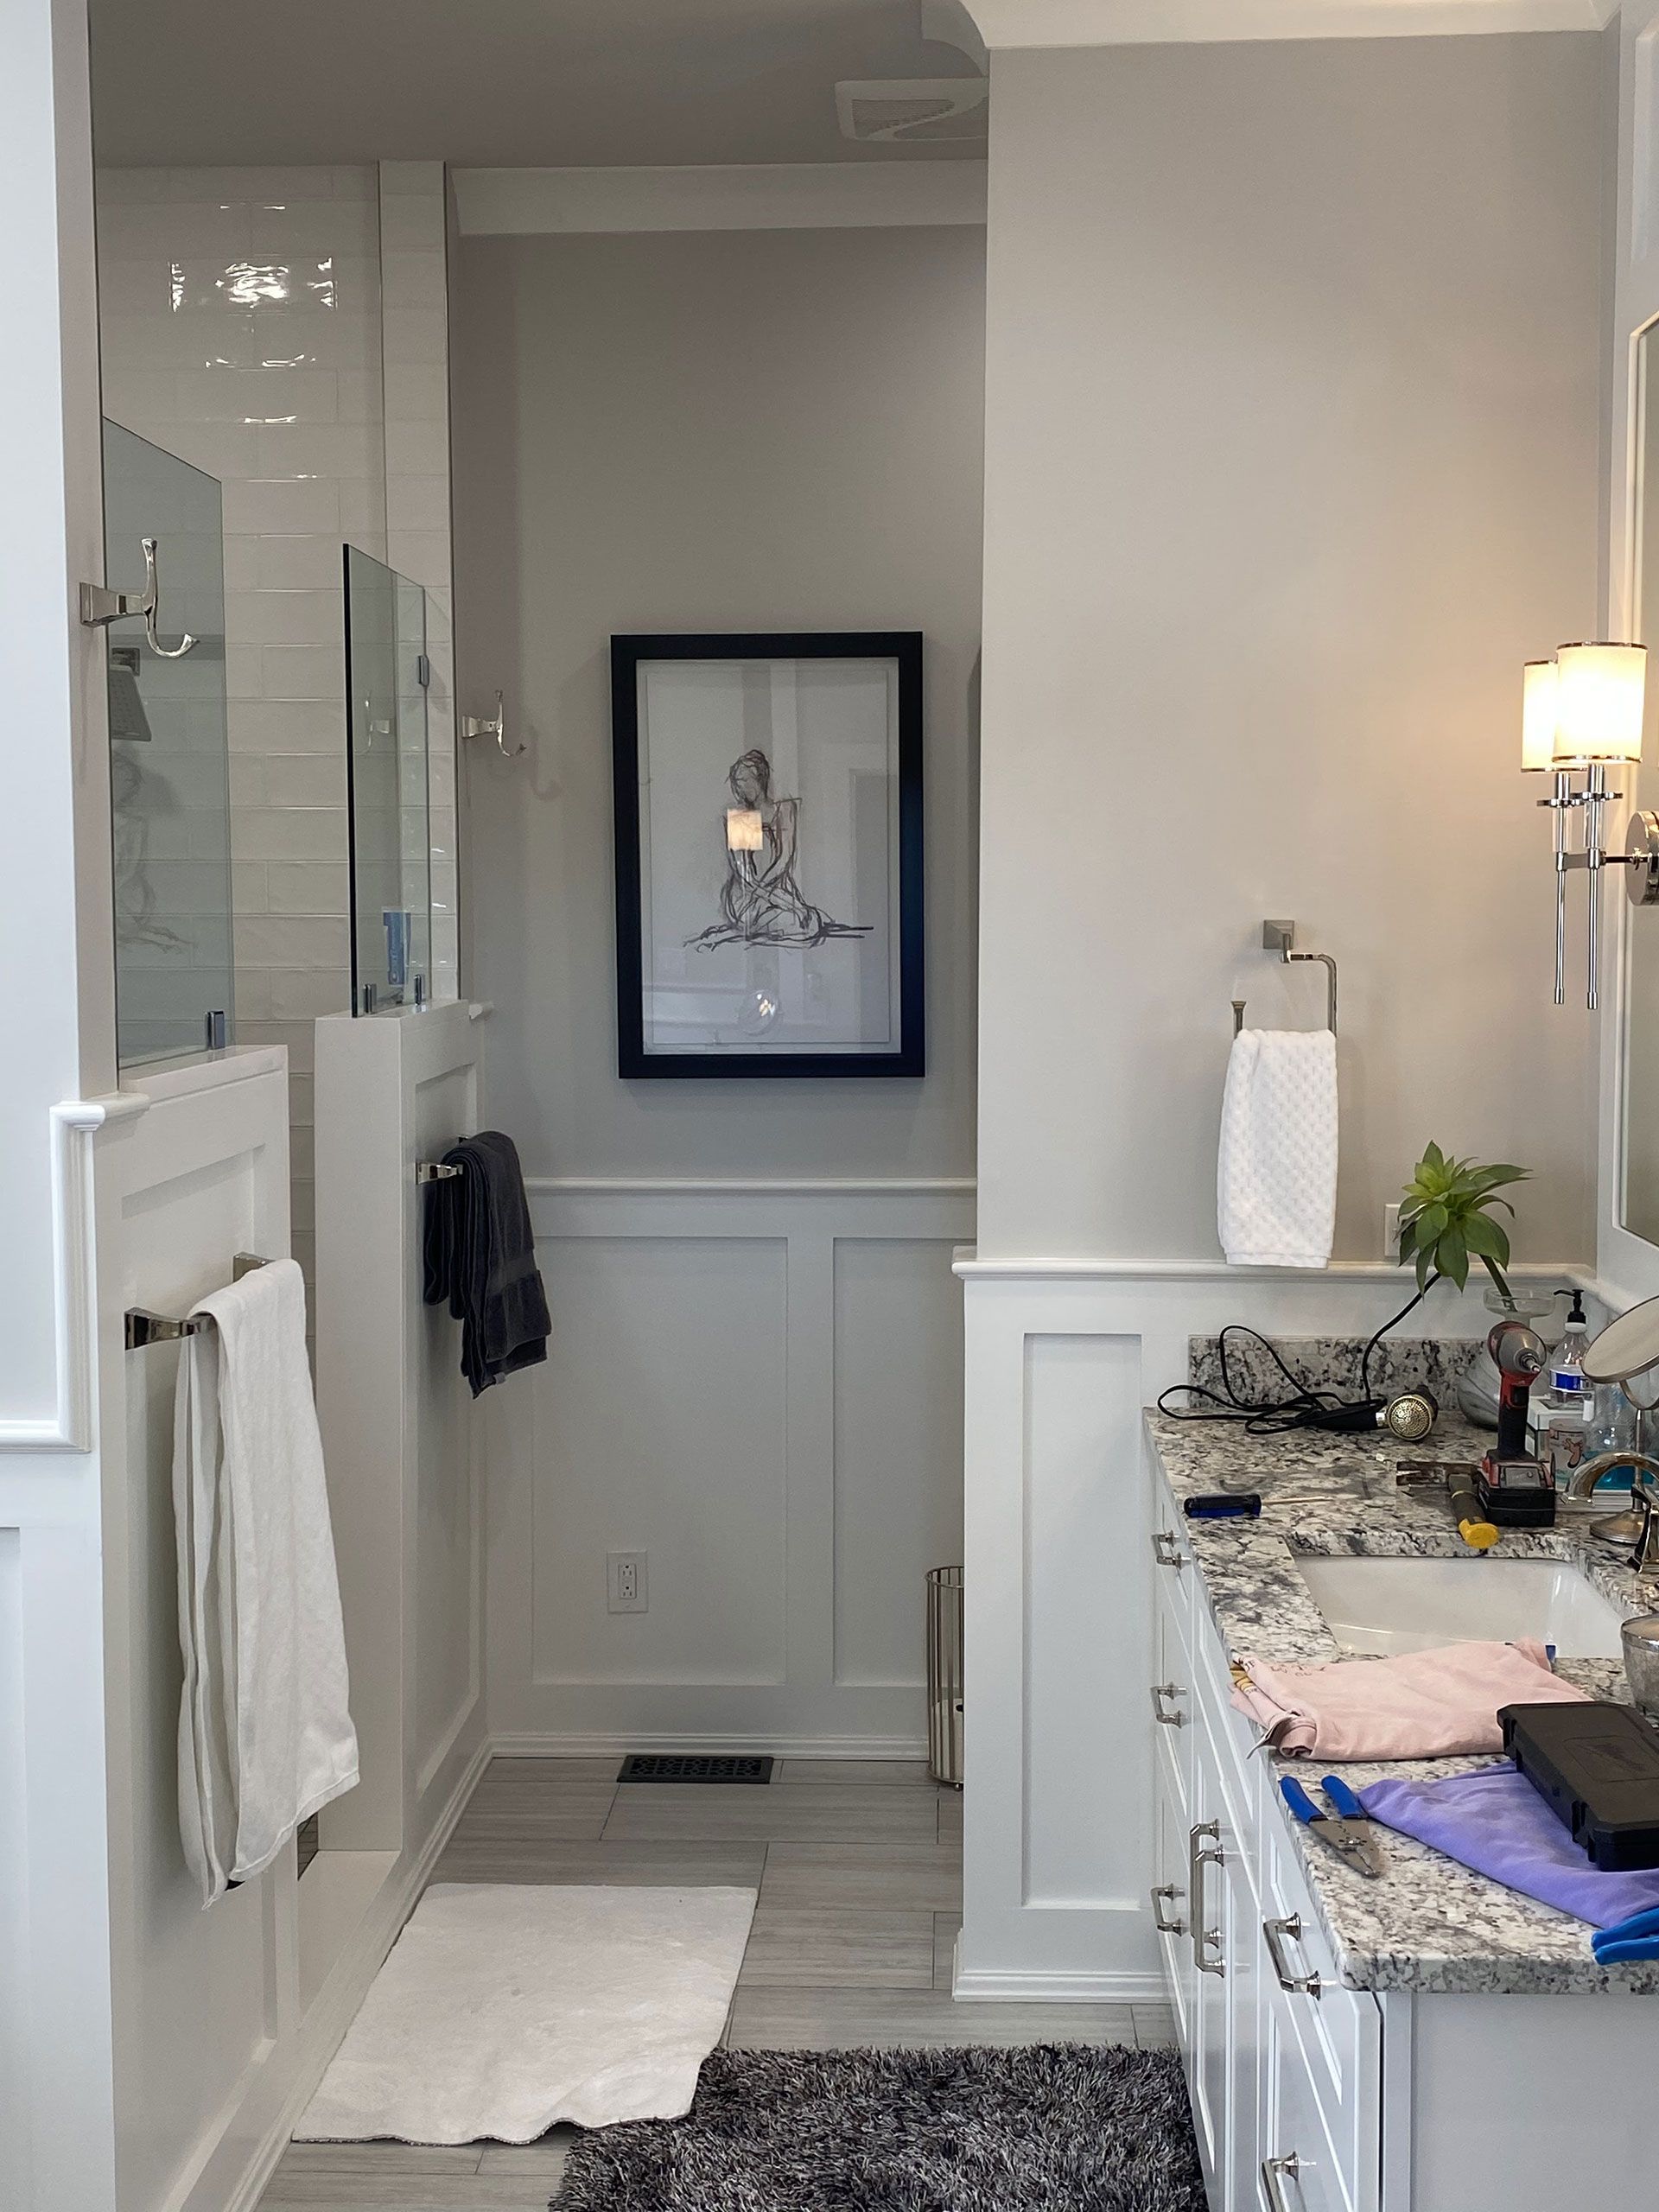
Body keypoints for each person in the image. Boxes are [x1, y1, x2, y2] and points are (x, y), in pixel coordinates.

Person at [686, 747, 868, 950]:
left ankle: (739, 932)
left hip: (779, 891)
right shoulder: (742, 816)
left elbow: (784, 861)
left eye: (745, 780)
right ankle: (737, 932)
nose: (741, 786)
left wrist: (786, 901)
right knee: (805, 923)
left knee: (811, 921)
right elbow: (746, 876)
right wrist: (785, 903)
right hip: (747, 897)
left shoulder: (785, 809)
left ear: (761, 778)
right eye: (737, 781)